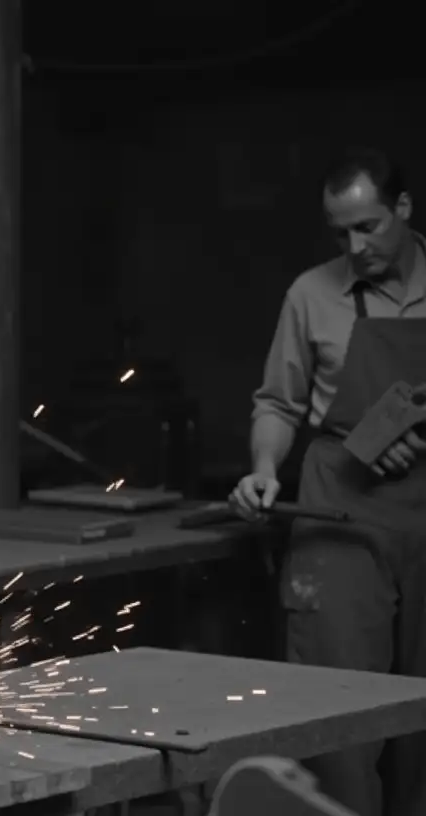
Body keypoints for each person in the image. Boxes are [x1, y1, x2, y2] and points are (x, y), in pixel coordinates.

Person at [229, 147, 426, 816]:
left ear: (403, 209)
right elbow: (279, 403)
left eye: (368, 226)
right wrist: (262, 469)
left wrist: (402, 431)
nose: (355, 245)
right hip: (339, 507)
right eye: (340, 232)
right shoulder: (311, 294)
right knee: (335, 708)